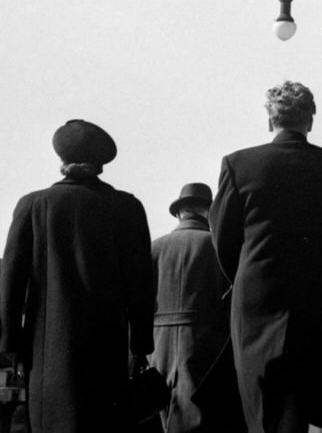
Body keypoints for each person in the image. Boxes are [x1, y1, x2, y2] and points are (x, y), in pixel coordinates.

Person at [211, 82, 322, 433]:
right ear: (310, 120)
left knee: (260, 395)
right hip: (316, 292)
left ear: (269, 120)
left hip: (257, 295)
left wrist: (245, 273)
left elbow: (223, 238)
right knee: (306, 394)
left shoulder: (238, 165)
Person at [0, 119, 155, 431]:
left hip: (47, 354)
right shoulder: (128, 207)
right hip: (108, 351)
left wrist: (10, 346)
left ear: (62, 160)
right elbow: (141, 286)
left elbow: (11, 284)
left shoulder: (33, 205)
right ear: (100, 163)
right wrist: (141, 346)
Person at [151, 182, 241, 432]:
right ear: (209, 212)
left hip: (158, 344)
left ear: (180, 212)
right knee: (201, 417)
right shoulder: (219, 247)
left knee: (162, 413)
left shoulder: (154, 247)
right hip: (206, 342)